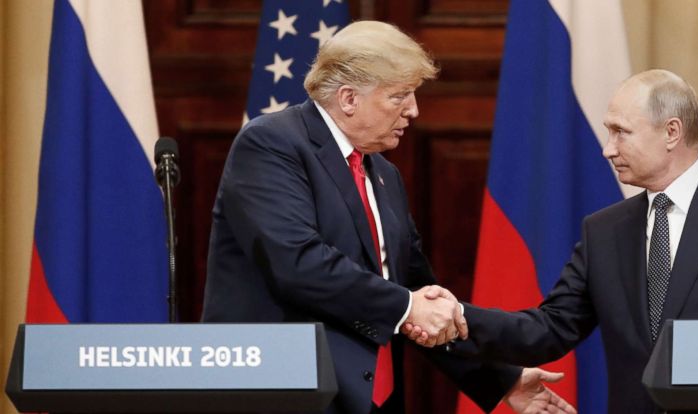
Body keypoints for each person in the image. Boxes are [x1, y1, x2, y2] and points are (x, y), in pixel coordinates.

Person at [404, 69, 698, 413]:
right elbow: (548, 329)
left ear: (671, 132)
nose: (607, 149)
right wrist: (459, 315)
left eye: (620, 132)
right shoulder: (604, 230)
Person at [201, 20, 574, 414]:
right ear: (348, 99)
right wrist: (410, 307)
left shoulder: (383, 173)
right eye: (399, 96)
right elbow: (298, 262)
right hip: (285, 392)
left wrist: (501, 378)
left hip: (366, 397)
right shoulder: (272, 144)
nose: (413, 110)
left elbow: (413, 289)